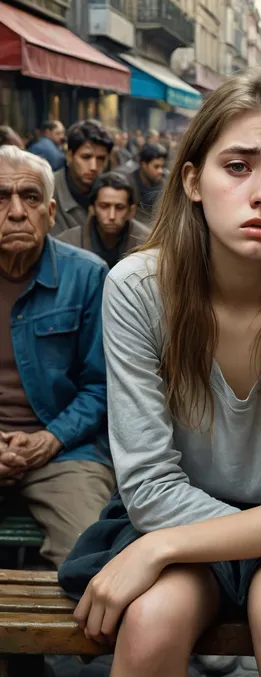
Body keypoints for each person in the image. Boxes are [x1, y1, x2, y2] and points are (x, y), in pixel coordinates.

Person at [58, 70, 261, 677]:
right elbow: (148, 485)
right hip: (173, 519)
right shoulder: (136, 287)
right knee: (151, 623)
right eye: (238, 166)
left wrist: (158, 552)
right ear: (192, 181)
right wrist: (166, 543)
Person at [0, 146, 115, 568]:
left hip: (66, 450)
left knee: (91, 561)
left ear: (51, 212)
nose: (16, 212)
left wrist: (50, 440)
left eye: (30, 198)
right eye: (1, 197)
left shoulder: (88, 275)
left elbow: (102, 385)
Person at [57, 172, 149, 269]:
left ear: (131, 211)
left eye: (119, 207)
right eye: (104, 206)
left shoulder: (147, 243)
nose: (112, 216)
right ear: (92, 208)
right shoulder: (68, 243)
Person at [51, 120, 114, 236]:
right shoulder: (48, 192)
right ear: (70, 156)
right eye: (86, 157)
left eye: (101, 159)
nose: (94, 167)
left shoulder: (112, 192)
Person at [128, 143, 167, 226]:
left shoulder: (165, 185)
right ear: (144, 165)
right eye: (156, 167)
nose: (160, 171)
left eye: (162, 167)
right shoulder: (129, 183)